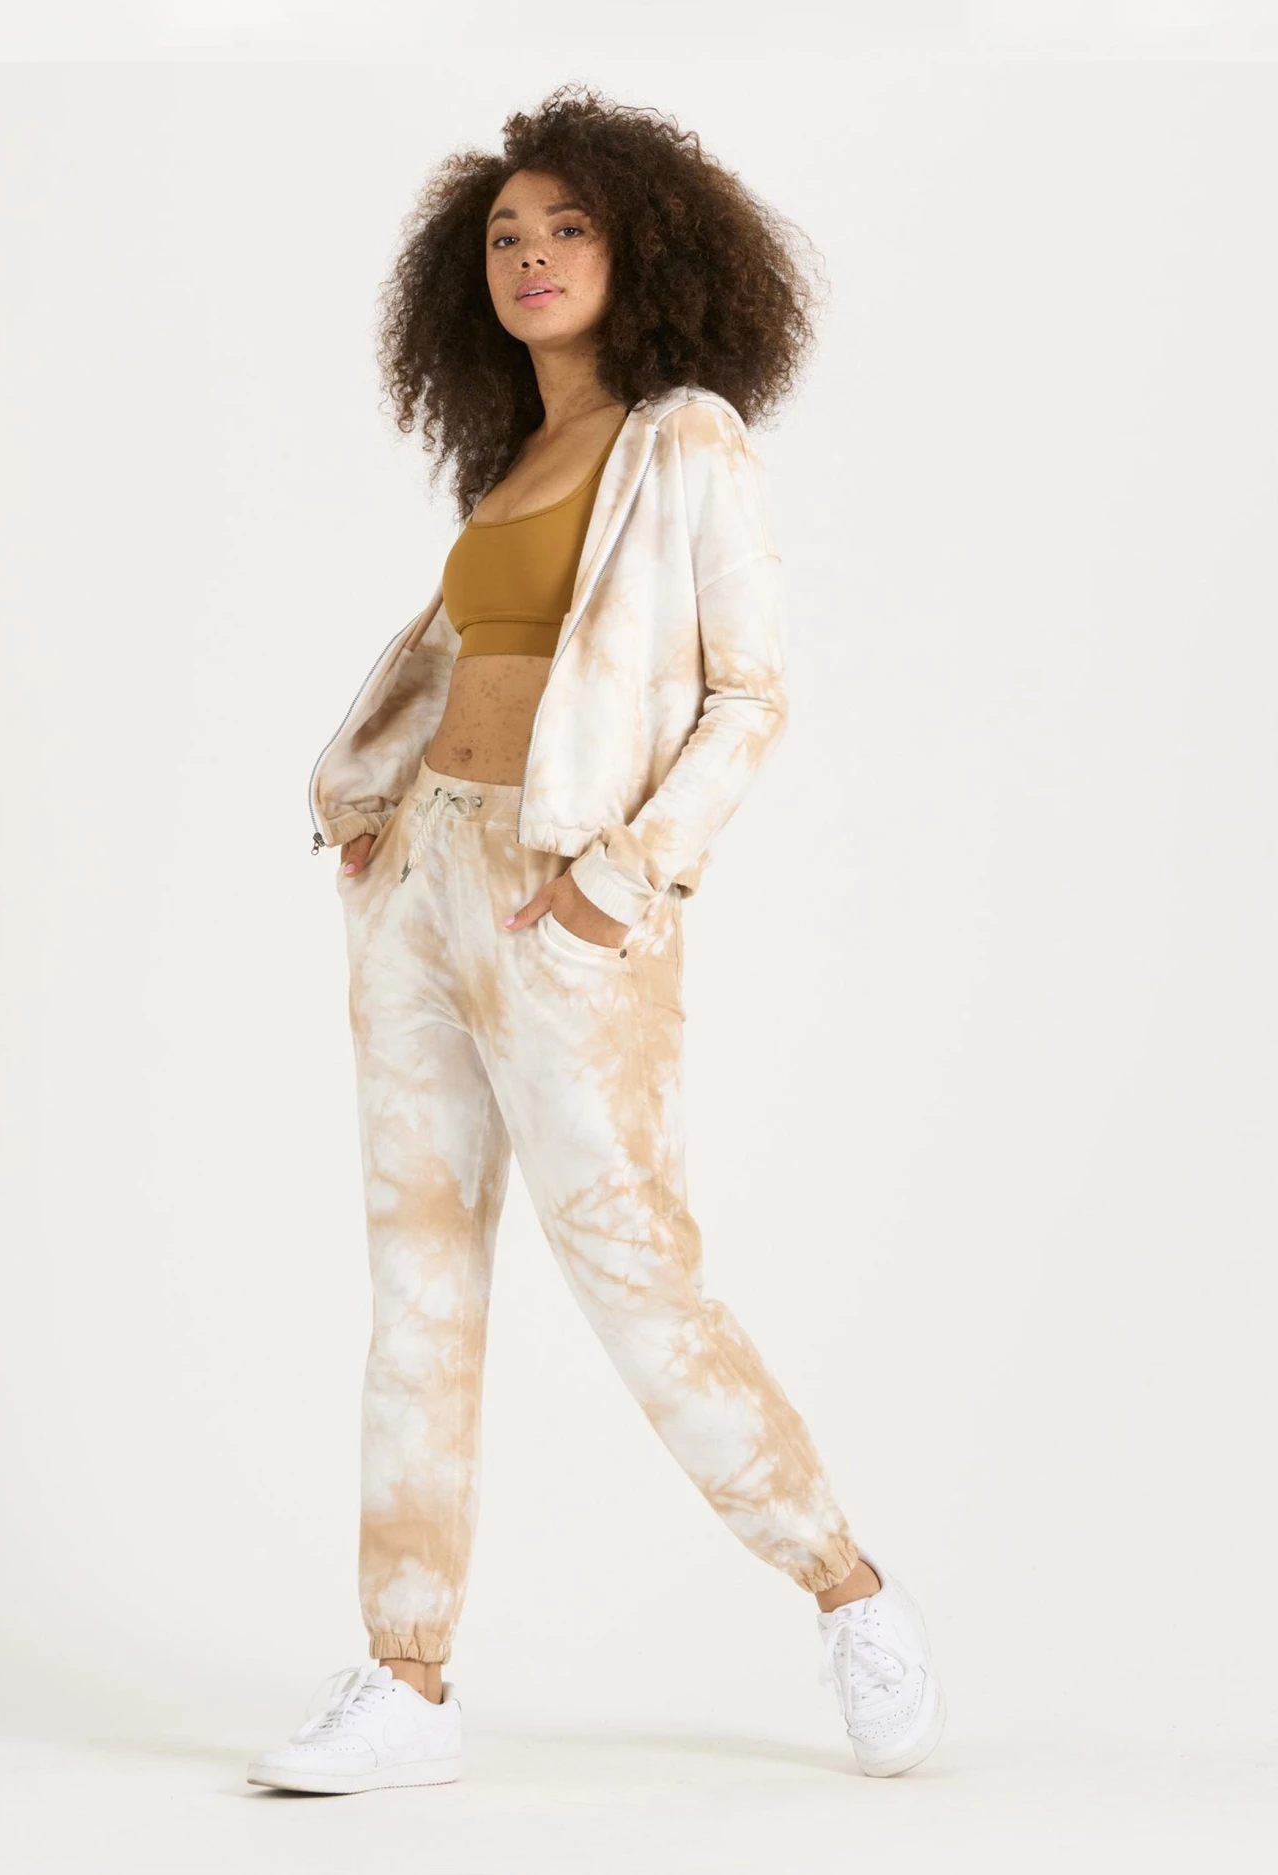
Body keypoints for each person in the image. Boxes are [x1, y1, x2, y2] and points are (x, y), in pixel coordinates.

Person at [248, 84, 945, 1797]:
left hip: (565, 905)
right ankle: (407, 1676)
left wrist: (622, 881)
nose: (533, 254)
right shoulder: (510, 463)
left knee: (638, 1276)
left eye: (569, 227)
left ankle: (850, 1592)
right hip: (421, 886)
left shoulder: (683, 439)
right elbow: (467, 666)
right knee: (419, 1284)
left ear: (645, 251)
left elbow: (748, 697)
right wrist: (373, 806)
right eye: (505, 234)